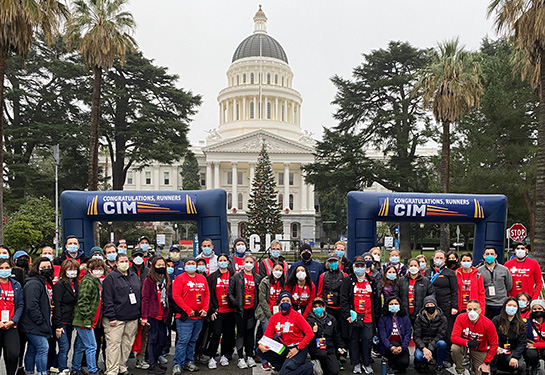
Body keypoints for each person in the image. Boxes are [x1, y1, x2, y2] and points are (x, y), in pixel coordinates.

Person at [258, 291, 322, 375]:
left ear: (291, 303)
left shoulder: (297, 316)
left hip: (298, 348)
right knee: (259, 350)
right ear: (279, 303)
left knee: (285, 374)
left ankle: (311, 366)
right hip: (285, 348)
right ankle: (281, 368)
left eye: (288, 301)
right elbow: (266, 336)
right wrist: (261, 345)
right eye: (283, 301)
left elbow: (310, 333)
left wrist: (298, 348)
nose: (285, 303)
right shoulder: (274, 318)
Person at [102, 253, 142, 375]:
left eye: (126, 261)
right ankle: (112, 370)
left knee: (127, 344)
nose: (124, 263)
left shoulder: (134, 276)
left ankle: (122, 366)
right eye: (121, 261)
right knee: (114, 345)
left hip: (132, 317)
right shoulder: (110, 278)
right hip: (116, 319)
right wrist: (111, 316)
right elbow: (107, 299)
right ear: (117, 263)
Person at [340, 255, 380, 375]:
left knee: (367, 340)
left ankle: (366, 363)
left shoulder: (371, 280)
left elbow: (376, 300)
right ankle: (356, 363)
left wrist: (375, 316)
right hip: (353, 316)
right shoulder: (348, 280)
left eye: (362, 266)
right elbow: (344, 299)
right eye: (357, 266)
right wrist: (347, 314)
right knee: (354, 340)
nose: (359, 268)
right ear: (353, 267)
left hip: (368, 316)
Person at [171, 256, 210, 374]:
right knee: (183, 340)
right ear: (185, 265)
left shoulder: (202, 278)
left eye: (193, 263)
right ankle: (178, 363)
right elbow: (176, 296)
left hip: (199, 316)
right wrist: (187, 309)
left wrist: (205, 309)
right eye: (189, 263)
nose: (191, 265)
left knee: (193, 340)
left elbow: (207, 294)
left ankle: (189, 361)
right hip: (185, 317)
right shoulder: (180, 278)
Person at [19, 257, 54, 375]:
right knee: (43, 347)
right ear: (37, 268)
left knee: (32, 348)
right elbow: (31, 306)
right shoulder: (34, 283)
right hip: (33, 324)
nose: (46, 269)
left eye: (48, 267)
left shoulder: (42, 282)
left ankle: (29, 371)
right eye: (43, 267)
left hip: (34, 323)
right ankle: (41, 372)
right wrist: (41, 322)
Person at [71, 258, 105, 375]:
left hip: (91, 320)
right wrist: (87, 320)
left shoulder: (97, 281)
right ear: (89, 270)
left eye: (101, 269)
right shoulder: (88, 282)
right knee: (91, 346)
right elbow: (83, 302)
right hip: (84, 321)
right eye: (96, 269)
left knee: (80, 346)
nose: (99, 271)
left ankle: (76, 368)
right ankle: (93, 370)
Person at [228, 253, 261, 369]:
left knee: (250, 333)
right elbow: (230, 293)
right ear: (242, 263)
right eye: (246, 262)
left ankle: (249, 356)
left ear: (254, 264)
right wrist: (236, 303)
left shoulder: (257, 278)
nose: (249, 264)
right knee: (241, 333)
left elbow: (259, 294)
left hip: (252, 310)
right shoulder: (237, 277)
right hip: (240, 310)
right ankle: (241, 357)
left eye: (251, 262)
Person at [451, 300, 499, 375]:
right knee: (455, 348)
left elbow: (494, 344)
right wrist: (467, 343)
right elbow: (453, 337)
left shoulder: (488, 324)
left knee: (483, 373)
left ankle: (473, 368)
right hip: (465, 346)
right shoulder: (460, 318)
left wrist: (486, 362)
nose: (472, 312)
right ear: (466, 310)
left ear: (480, 310)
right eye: (470, 309)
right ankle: (460, 371)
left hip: (479, 349)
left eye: (475, 309)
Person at [206, 254, 235, 369]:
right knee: (216, 333)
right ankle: (212, 357)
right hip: (217, 310)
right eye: (220, 260)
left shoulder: (233, 276)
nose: (222, 262)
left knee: (228, 334)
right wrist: (211, 310)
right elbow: (208, 295)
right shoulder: (212, 277)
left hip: (230, 310)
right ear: (217, 262)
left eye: (225, 260)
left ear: (228, 262)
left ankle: (224, 355)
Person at [141, 257, 170, 375]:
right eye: (158, 265)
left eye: (163, 265)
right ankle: (152, 364)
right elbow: (145, 299)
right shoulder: (148, 281)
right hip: (152, 314)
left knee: (162, 340)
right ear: (153, 266)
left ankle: (155, 360)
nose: (161, 267)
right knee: (152, 339)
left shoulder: (165, 280)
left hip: (163, 315)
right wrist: (144, 317)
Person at [256, 261, 286, 370]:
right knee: (267, 336)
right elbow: (262, 299)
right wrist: (269, 314)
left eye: (280, 270)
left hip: (278, 313)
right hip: (266, 313)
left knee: (277, 337)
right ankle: (264, 360)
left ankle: (274, 359)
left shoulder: (283, 282)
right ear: (272, 270)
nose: (278, 272)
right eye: (276, 269)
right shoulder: (265, 281)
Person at [53, 259, 80, 375]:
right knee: (64, 346)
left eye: (74, 269)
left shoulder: (76, 283)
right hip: (62, 320)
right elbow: (57, 305)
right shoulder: (60, 285)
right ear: (64, 270)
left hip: (71, 319)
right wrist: (58, 325)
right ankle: (62, 368)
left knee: (67, 345)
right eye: (69, 269)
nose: (72, 272)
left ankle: (55, 365)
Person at [307, 297, 346, 375]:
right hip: (316, 349)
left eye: (320, 306)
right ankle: (314, 365)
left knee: (334, 370)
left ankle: (324, 366)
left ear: (324, 307)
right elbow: (306, 340)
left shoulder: (331, 319)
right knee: (322, 356)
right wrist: (313, 332)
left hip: (329, 348)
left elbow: (336, 335)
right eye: (315, 306)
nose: (318, 308)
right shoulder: (309, 320)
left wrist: (341, 346)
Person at [428, 250, 458, 351]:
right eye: (437, 258)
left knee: (446, 331)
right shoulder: (429, 272)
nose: (439, 260)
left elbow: (454, 291)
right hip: (431, 305)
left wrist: (454, 306)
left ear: (445, 260)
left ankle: (448, 356)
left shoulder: (449, 273)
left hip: (446, 305)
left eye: (441, 258)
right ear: (433, 258)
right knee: (433, 331)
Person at [491, 297, 527, 375]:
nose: (511, 308)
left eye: (514, 306)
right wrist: (495, 346)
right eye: (509, 305)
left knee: (521, 365)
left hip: (513, 349)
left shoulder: (520, 323)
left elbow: (522, 342)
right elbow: (491, 336)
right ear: (505, 306)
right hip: (498, 348)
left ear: (517, 308)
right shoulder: (496, 320)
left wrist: (515, 356)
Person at [413, 296, 448, 374]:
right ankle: (424, 363)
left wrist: (430, 348)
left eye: (431, 304)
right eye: (427, 305)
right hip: (423, 345)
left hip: (436, 344)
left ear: (435, 306)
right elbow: (416, 336)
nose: (430, 307)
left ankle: (439, 366)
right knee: (418, 356)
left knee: (442, 344)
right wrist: (424, 348)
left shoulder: (442, 318)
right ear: (424, 307)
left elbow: (441, 335)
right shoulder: (419, 319)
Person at [0, 259, 23, 375]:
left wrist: (13, 321)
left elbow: (20, 305)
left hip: (11, 324)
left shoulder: (16, 285)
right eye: (1, 268)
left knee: (13, 354)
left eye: (6, 268)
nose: (4, 270)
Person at [378, 296, 412, 375]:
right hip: (388, 347)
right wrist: (390, 347)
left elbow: (408, 334)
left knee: (404, 363)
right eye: (391, 304)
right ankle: (390, 364)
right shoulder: (383, 319)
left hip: (401, 347)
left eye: (396, 304)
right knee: (393, 346)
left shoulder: (405, 318)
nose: (394, 305)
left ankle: (396, 364)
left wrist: (402, 347)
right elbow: (382, 335)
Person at [395, 258, 435, 324]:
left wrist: (423, 311)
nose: (413, 267)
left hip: (420, 313)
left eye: (415, 265)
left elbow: (431, 295)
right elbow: (396, 294)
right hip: (404, 312)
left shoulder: (425, 281)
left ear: (419, 267)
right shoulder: (401, 280)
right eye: (411, 266)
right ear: (408, 267)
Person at [478, 246, 513, 319]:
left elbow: (509, 285)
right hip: (487, 304)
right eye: (487, 254)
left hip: (501, 303)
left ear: (495, 256)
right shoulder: (479, 271)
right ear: (484, 256)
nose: (489, 256)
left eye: (492, 254)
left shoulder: (504, 269)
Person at [317, 254, 347, 325]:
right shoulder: (323, 276)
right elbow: (319, 293)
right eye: (331, 262)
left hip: (340, 308)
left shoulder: (344, 276)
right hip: (327, 307)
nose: (333, 263)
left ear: (339, 262)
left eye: (335, 261)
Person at [524, 299, 545, 375]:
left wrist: (535, 345)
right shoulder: (526, 322)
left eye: (539, 309)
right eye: (534, 309)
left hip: (541, 346)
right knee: (530, 354)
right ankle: (534, 365)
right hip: (530, 347)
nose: (537, 311)